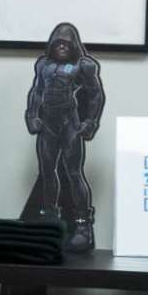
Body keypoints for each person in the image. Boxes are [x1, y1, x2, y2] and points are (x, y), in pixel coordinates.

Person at [22, 21, 104, 252]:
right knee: (47, 171)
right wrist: (31, 115)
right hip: (48, 122)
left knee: (74, 173)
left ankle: (82, 224)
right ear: (51, 44)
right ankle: (49, 216)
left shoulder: (83, 65)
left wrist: (90, 121)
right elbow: (36, 91)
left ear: (73, 45)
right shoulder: (43, 64)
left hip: (69, 122)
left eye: (65, 44)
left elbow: (95, 94)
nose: (61, 47)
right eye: (57, 43)